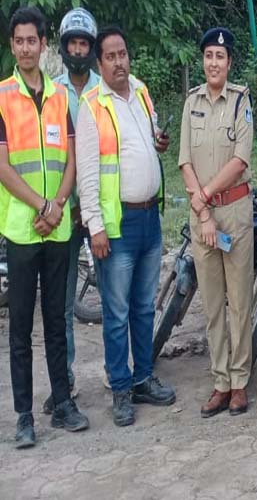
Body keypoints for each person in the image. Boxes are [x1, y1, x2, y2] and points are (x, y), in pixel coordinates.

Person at [77, 26, 176, 427]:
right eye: (111, 57)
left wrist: (159, 142)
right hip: (116, 225)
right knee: (116, 312)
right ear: (99, 63)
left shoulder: (140, 92)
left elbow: (148, 142)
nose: (119, 62)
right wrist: (94, 226)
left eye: (123, 54)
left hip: (149, 218)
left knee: (143, 306)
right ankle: (120, 387)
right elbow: (87, 172)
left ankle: (143, 378)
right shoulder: (92, 106)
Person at [3, 6, 89, 449]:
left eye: (32, 41)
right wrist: (42, 205)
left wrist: (57, 206)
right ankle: (23, 416)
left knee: (57, 319)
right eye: (18, 41)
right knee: (21, 328)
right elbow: (2, 166)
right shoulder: (2, 96)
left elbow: (71, 157)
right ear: (12, 45)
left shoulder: (58, 97)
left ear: (43, 44)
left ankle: (63, 402)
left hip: (56, 229)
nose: (25, 48)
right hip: (21, 229)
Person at [179, 27, 255, 418]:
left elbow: (240, 160)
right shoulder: (191, 102)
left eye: (220, 57)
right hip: (202, 218)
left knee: (239, 301)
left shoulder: (241, 101)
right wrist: (204, 212)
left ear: (229, 63)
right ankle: (220, 381)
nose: (213, 63)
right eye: (208, 55)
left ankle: (240, 382)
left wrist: (206, 197)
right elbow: (184, 161)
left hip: (234, 213)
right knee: (212, 304)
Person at [45, 7, 101, 411]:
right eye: (73, 44)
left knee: (115, 299)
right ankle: (63, 381)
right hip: (63, 212)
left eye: (84, 44)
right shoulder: (52, 93)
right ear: (64, 48)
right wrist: (67, 203)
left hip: (100, 211)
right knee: (61, 305)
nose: (79, 50)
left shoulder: (105, 90)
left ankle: (123, 374)